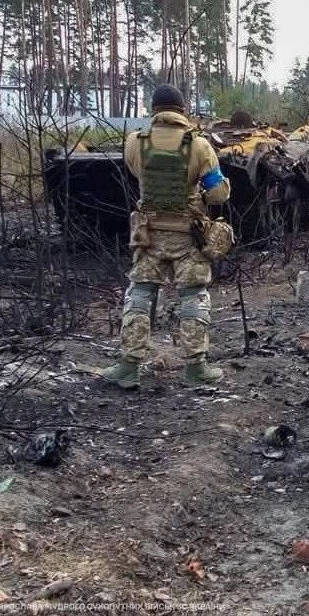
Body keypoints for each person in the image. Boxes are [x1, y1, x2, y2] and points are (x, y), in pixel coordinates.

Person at [100, 84, 231, 390]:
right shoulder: (199, 146)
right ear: (182, 111)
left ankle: (128, 367)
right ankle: (196, 368)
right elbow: (217, 194)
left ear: (154, 110)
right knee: (193, 298)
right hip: (189, 237)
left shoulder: (136, 142)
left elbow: (136, 174)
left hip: (148, 236)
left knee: (140, 296)